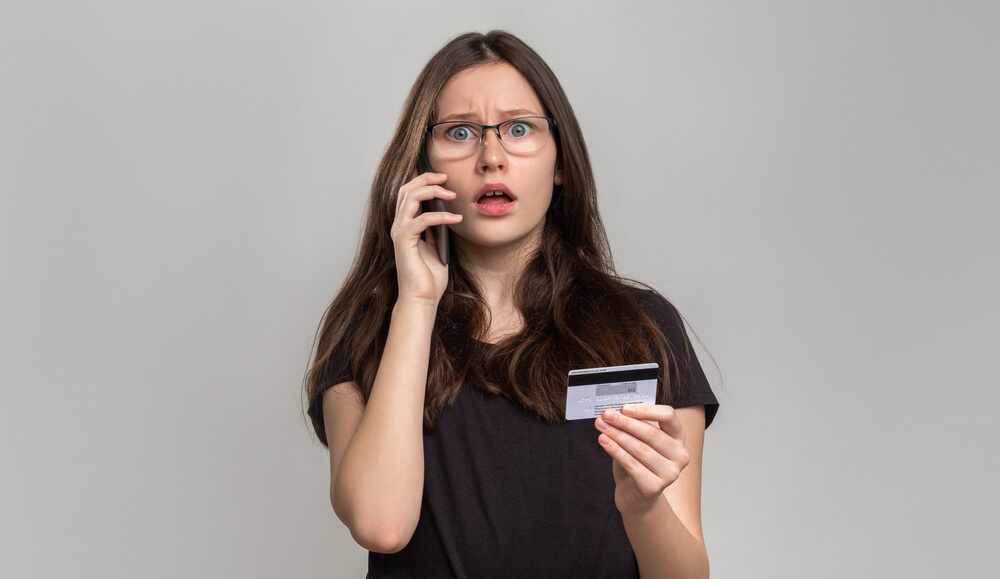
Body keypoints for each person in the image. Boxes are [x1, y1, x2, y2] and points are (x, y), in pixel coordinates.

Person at [306, 30, 719, 578]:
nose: (491, 157)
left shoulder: (643, 326)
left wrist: (643, 506)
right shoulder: (367, 330)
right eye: (460, 133)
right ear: (421, 167)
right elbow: (381, 525)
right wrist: (417, 303)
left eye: (519, 129)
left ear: (561, 164)